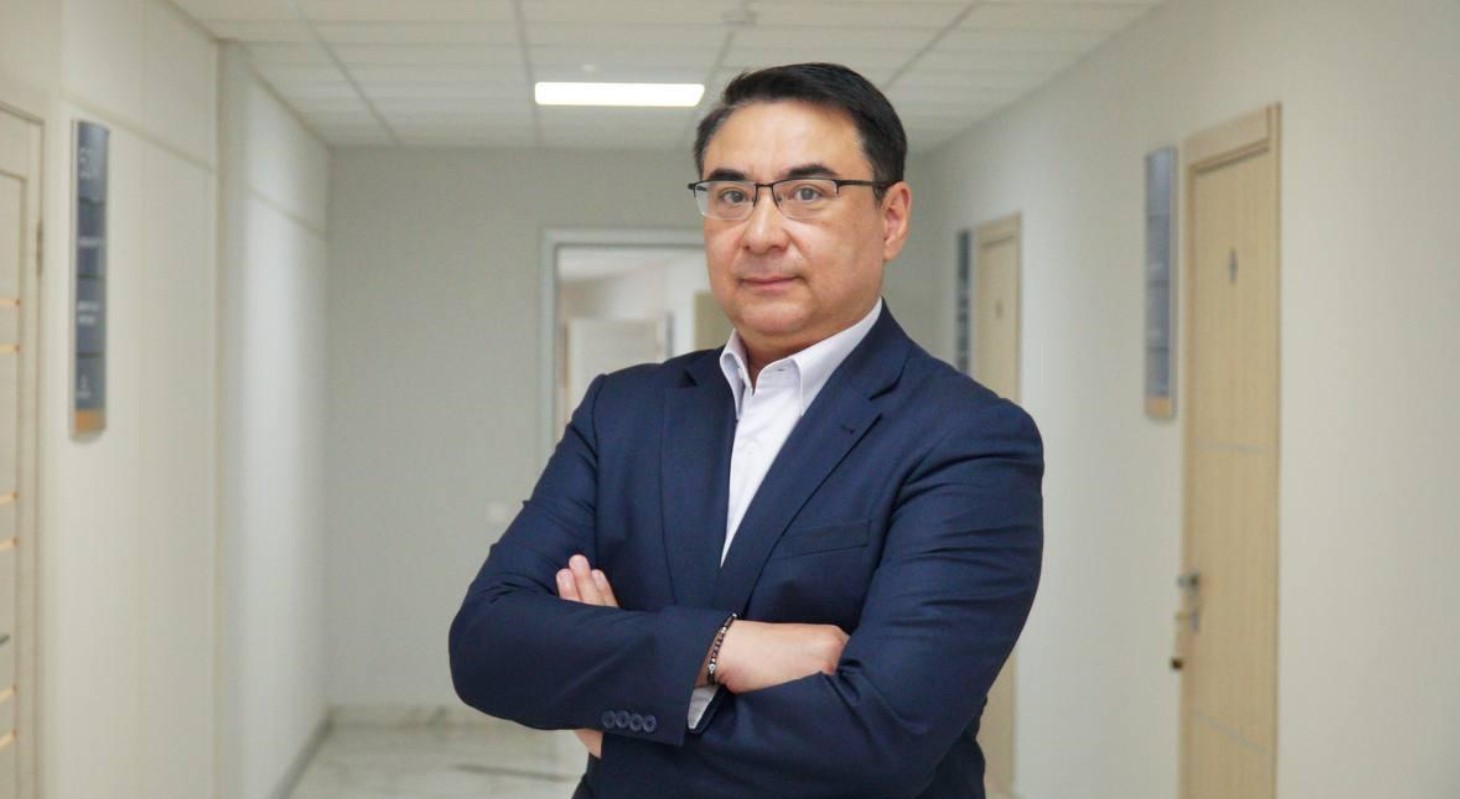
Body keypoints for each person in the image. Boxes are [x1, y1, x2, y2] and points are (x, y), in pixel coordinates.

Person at [448, 62, 1043, 799]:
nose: (760, 233)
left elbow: (875, 744)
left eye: (807, 193)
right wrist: (725, 646)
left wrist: (617, 721)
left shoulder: (968, 441)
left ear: (891, 218)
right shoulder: (625, 412)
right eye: (732, 195)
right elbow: (488, 645)